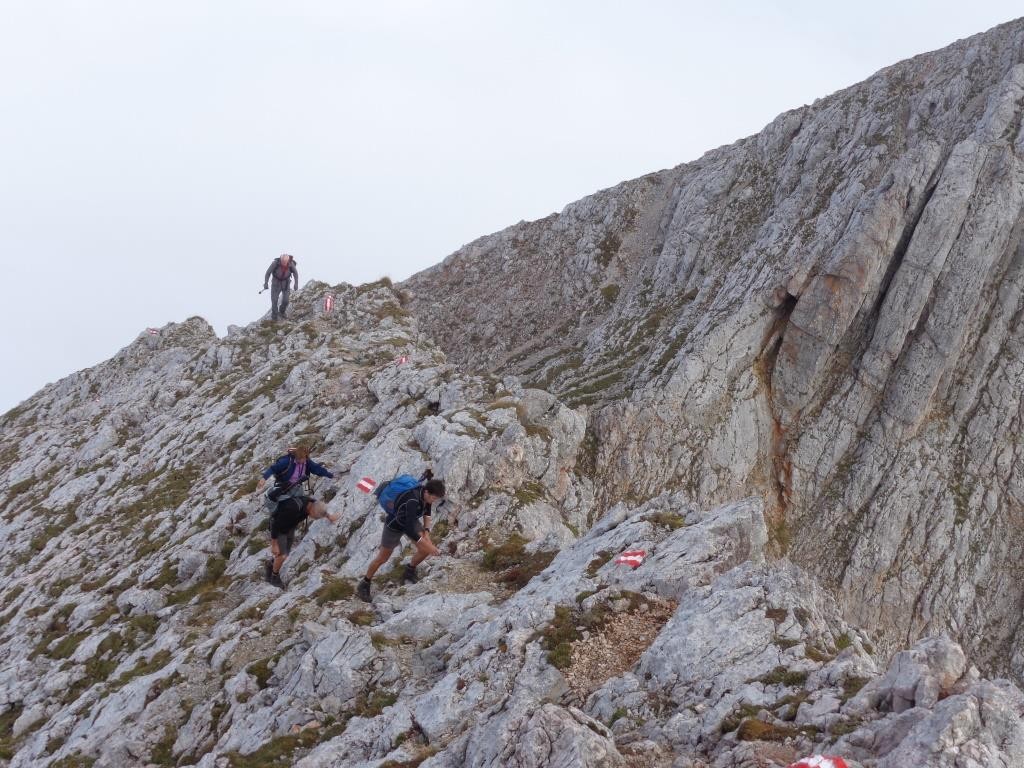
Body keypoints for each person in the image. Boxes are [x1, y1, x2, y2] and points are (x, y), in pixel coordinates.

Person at [357, 475, 446, 602]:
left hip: (410, 521)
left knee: (425, 550)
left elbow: (427, 512)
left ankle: (409, 571)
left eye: (436, 498)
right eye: (434, 498)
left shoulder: (425, 495)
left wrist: (426, 531)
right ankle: (364, 583)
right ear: (427, 492)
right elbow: (409, 529)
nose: (434, 500)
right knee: (382, 558)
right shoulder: (412, 500)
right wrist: (430, 546)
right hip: (394, 525)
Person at [266, 495, 339, 587]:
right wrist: (274, 544)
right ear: (312, 511)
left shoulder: (311, 503)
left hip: (289, 527)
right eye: (315, 517)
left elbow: (319, 507)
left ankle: (271, 565)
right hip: (278, 529)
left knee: (285, 553)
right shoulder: (292, 508)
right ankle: (274, 577)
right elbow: (275, 524)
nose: (314, 518)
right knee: (282, 555)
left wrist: (329, 516)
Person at [257, 445, 333, 509]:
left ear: (306, 457)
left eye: (303, 458)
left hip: (297, 487)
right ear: (296, 456)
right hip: (283, 486)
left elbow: (317, 469)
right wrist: (264, 478)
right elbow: (273, 468)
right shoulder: (286, 461)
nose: (301, 460)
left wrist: (330, 475)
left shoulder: (307, 462)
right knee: (283, 506)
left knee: (300, 506)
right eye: (299, 458)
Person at [264, 253, 299, 320]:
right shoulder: (275, 263)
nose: (284, 263)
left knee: (286, 301)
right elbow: (268, 273)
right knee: (274, 301)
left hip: (286, 283)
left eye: (285, 262)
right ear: (280, 260)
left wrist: (296, 284)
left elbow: (295, 273)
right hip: (276, 283)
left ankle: (282, 312)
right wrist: (266, 283)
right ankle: (274, 318)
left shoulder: (290, 264)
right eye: (283, 262)